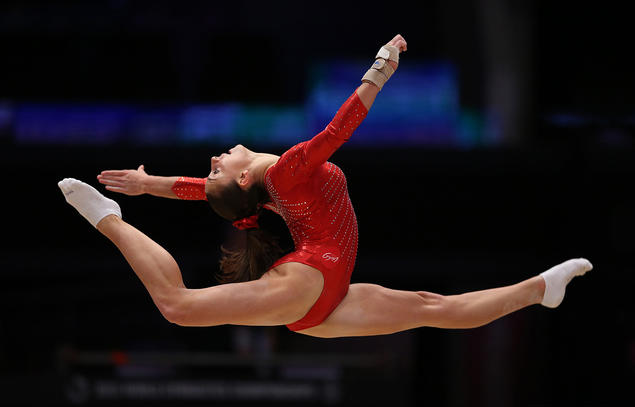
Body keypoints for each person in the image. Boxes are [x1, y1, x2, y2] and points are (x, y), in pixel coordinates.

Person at [58, 34, 592, 338]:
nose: (216, 158)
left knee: (437, 308)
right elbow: (339, 129)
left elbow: (203, 190)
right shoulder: (285, 171)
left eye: (216, 164)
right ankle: (108, 219)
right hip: (313, 283)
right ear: (244, 176)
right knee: (177, 306)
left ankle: (541, 290)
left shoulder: (263, 188)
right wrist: (381, 68)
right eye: (221, 164)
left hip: (324, 298)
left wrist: (151, 182)